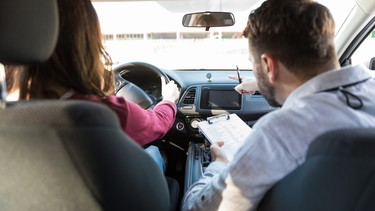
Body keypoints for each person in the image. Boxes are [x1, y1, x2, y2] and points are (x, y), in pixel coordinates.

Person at [183, 0, 375, 210]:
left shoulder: (279, 132)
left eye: (252, 63)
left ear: (268, 65)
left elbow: (197, 208)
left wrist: (218, 165)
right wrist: (261, 84)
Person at [5, 0, 180, 173]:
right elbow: (157, 124)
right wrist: (169, 100)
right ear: (85, 43)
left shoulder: (7, 109)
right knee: (156, 152)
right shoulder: (108, 113)